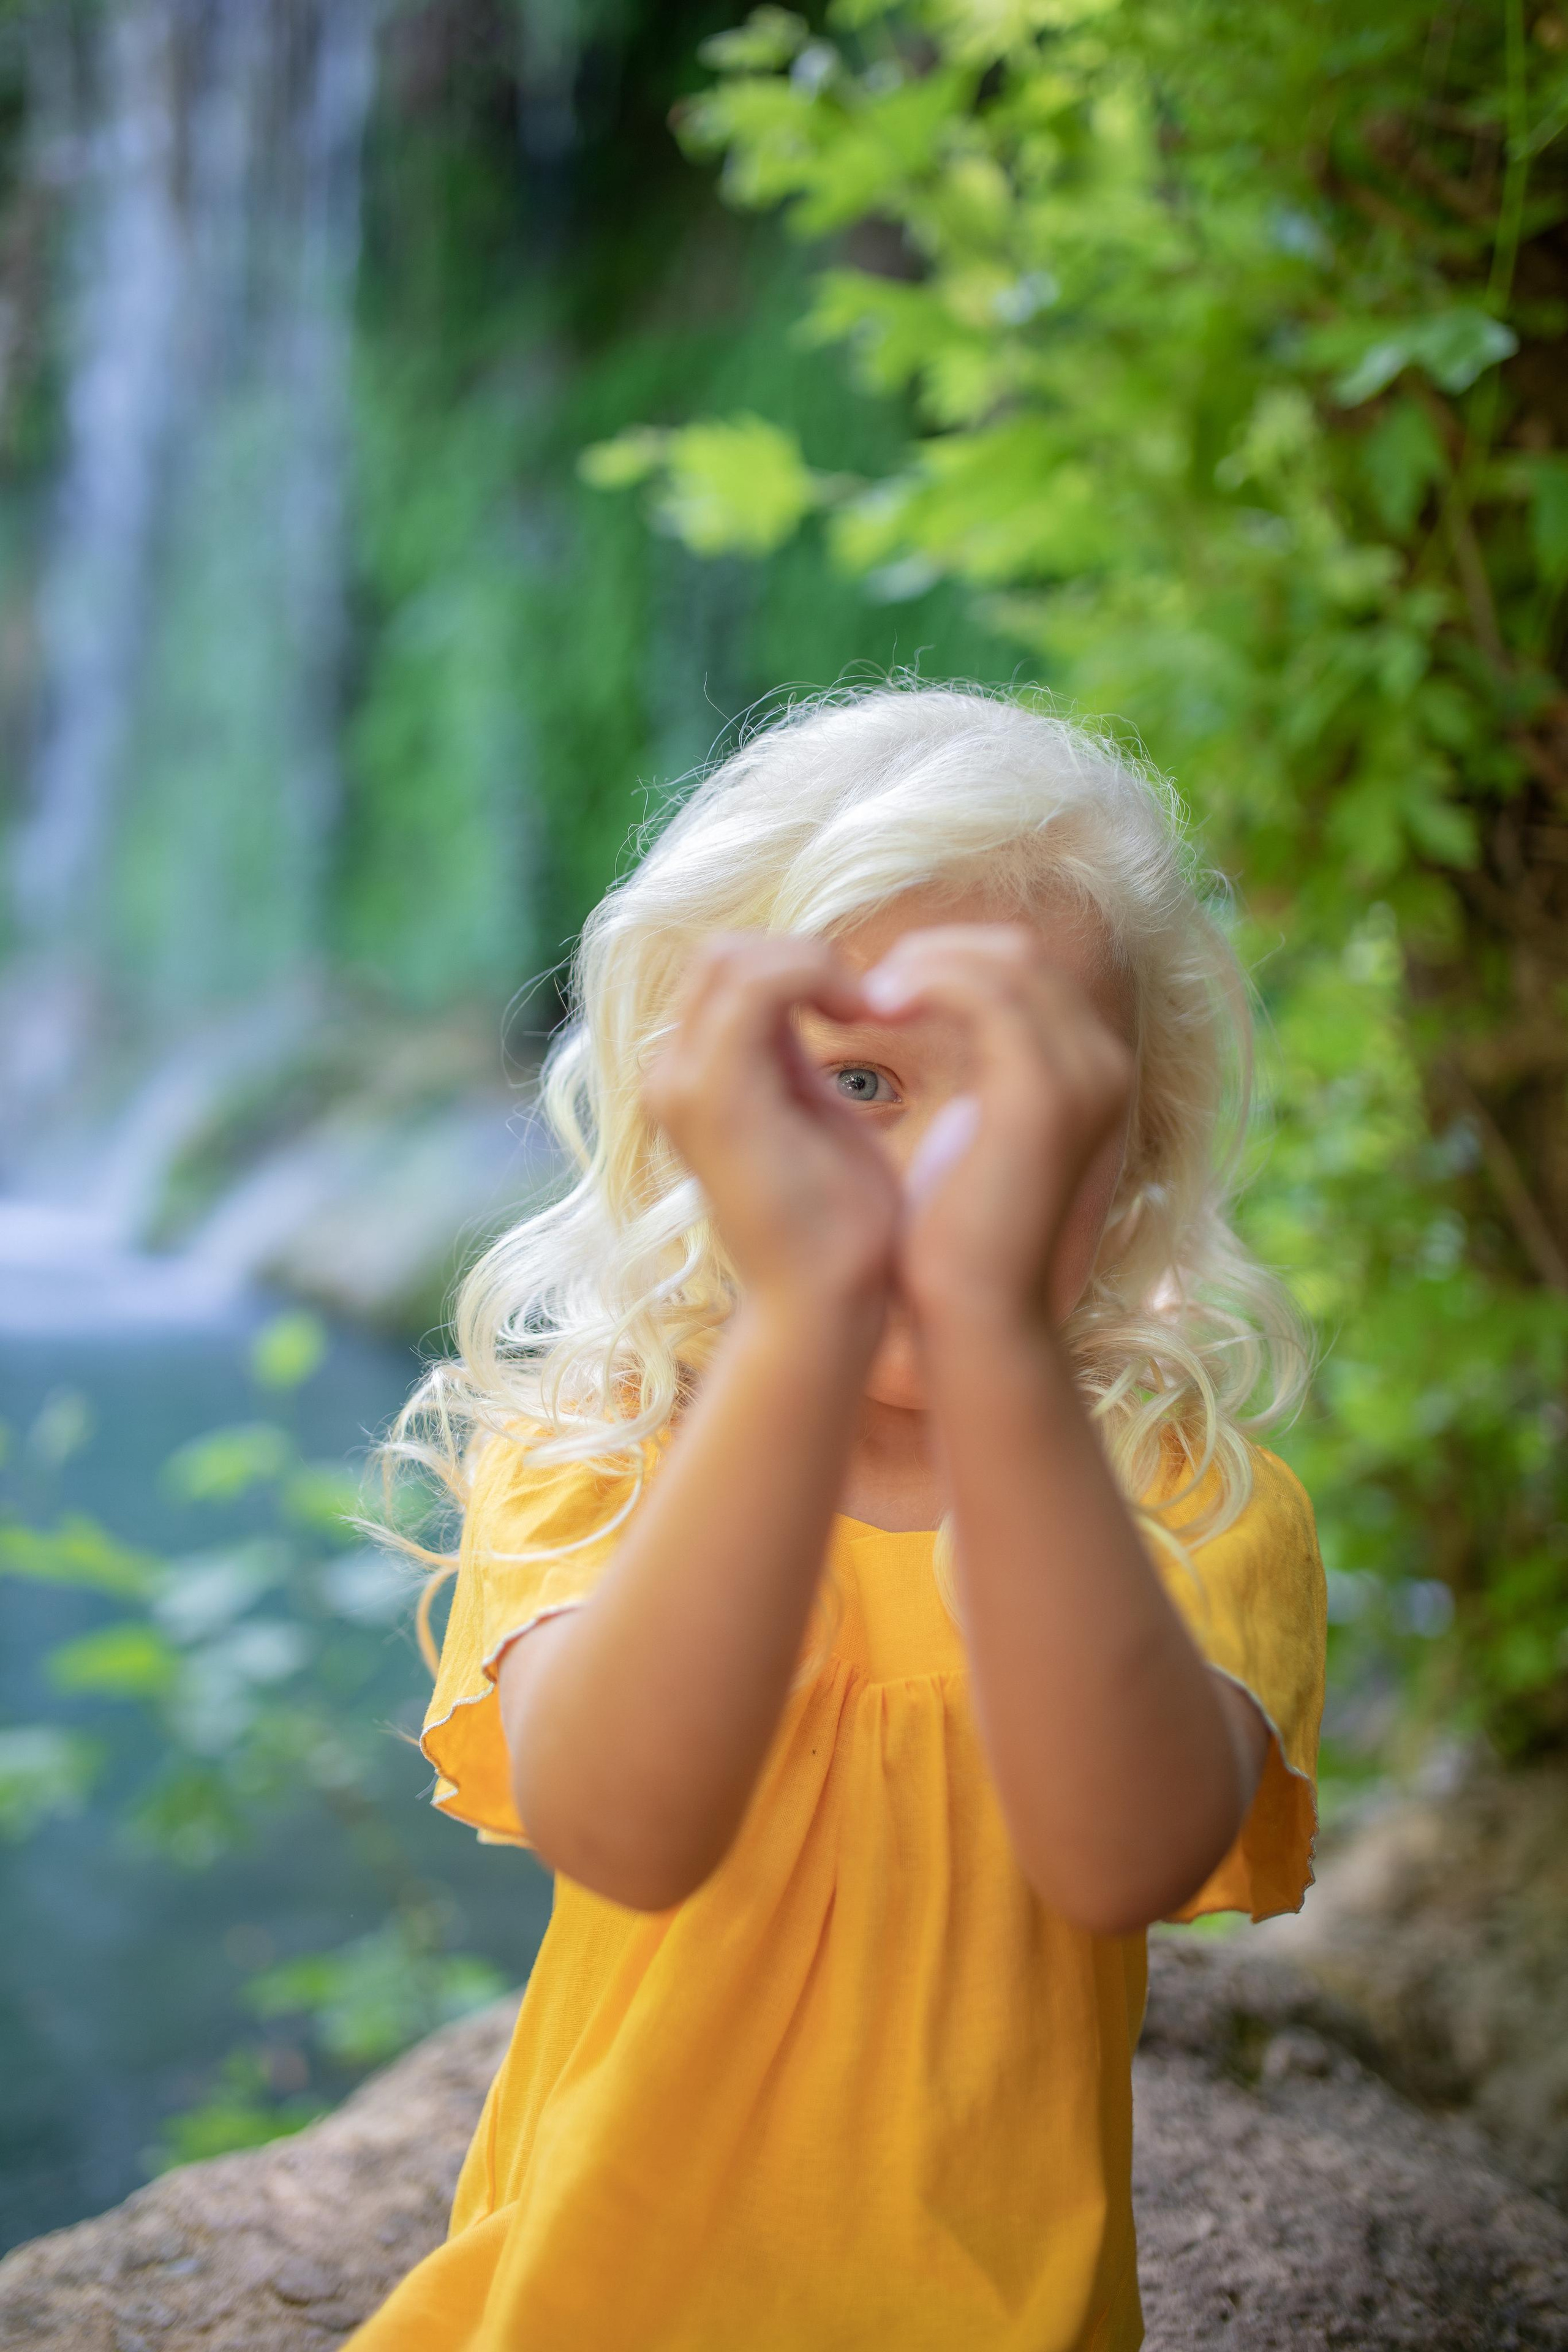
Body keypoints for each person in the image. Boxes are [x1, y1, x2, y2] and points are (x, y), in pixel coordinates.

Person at [347, 684, 1325, 2352]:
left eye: (1015, 1101)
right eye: (860, 1084)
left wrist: (994, 1345)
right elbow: (626, 1820)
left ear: (1136, 1163)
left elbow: (1120, 1854)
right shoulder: (611, 1455)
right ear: (705, 1130)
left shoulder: (1189, 1502)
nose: (940, 1174)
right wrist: (801, 1327)